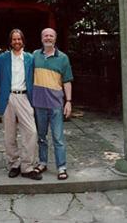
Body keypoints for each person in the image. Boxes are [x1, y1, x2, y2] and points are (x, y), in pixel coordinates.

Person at [0, 29, 42, 180]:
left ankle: (27, 166)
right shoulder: (2, 59)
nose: (17, 42)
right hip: (8, 97)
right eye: (14, 39)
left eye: (19, 39)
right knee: (9, 135)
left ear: (23, 41)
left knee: (31, 132)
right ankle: (14, 164)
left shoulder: (30, 58)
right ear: (10, 42)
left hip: (24, 97)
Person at [32, 28, 73, 180]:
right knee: (41, 136)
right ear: (41, 38)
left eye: (51, 36)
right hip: (39, 104)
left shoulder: (63, 58)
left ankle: (61, 167)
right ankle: (42, 163)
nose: (48, 38)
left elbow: (67, 81)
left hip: (56, 104)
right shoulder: (34, 55)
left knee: (58, 138)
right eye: (45, 35)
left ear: (55, 39)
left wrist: (68, 102)